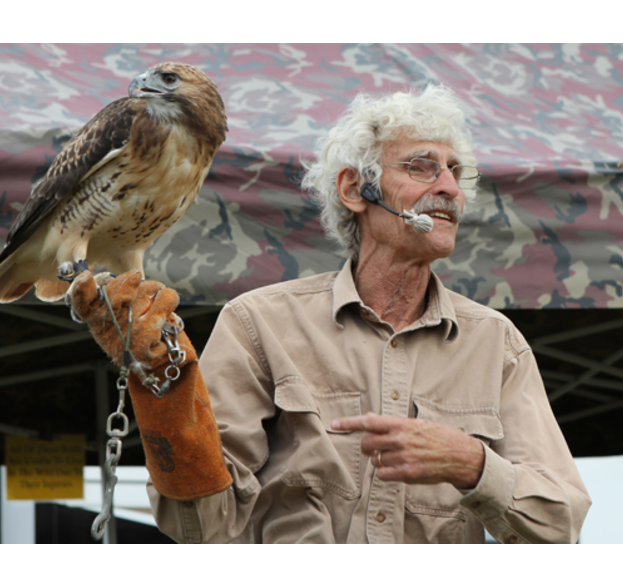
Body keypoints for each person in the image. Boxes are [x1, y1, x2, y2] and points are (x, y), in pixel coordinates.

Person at [69, 84, 591, 543]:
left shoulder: (497, 343)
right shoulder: (259, 323)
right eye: (421, 167)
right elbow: (200, 527)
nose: (450, 188)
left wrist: (471, 464)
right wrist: (165, 390)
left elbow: (561, 522)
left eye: (455, 172)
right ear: (354, 189)